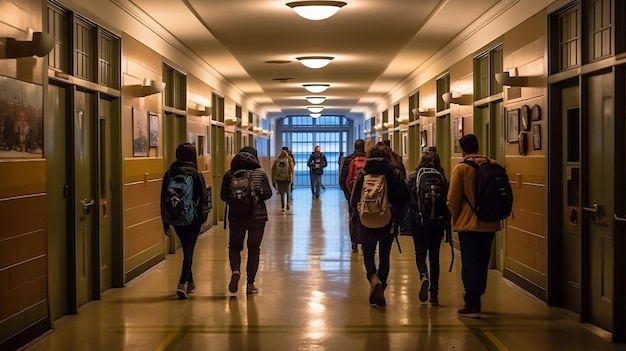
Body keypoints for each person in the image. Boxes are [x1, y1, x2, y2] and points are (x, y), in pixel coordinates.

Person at [447, 134, 502, 318]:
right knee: (483, 261)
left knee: (470, 261)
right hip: (490, 223)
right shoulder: (493, 164)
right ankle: (478, 293)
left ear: (462, 149)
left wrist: (454, 217)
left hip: (468, 225)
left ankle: (472, 303)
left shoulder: (461, 168)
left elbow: (453, 199)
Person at [349, 143, 410, 307]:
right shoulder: (394, 173)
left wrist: (358, 213)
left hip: (366, 219)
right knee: (384, 255)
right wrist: (397, 216)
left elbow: (354, 199)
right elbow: (405, 199)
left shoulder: (363, 173)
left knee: (368, 252)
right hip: (388, 220)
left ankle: (373, 278)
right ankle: (381, 288)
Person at [220, 146, 272, 294]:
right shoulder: (260, 173)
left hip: (236, 217)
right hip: (257, 216)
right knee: (254, 249)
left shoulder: (229, 174)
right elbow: (268, 194)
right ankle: (250, 284)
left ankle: (236, 270)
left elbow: (223, 196)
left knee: (235, 246)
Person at [160, 142, 208, 299]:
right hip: (192, 217)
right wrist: (202, 218)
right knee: (189, 250)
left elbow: (162, 199)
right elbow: (203, 199)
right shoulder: (196, 174)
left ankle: (191, 281)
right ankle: (182, 283)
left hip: (175, 216)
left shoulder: (169, 174)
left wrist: (165, 223)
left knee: (187, 249)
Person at [407, 151, 449, 306]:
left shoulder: (413, 176)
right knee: (434, 256)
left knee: (420, 254)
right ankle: (434, 292)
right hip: (437, 223)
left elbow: (407, 198)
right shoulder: (442, 177)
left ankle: (423, 275)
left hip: (419, 222)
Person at [339, 139, 367, 252]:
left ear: (354, 147)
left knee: (353, 217)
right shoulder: (368, 159)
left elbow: (342, 179)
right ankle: (366, 242)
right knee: (365, 217)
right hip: (367, 194)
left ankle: (354, 244)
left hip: (352, 194)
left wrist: (348, 195)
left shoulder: (349, 159)